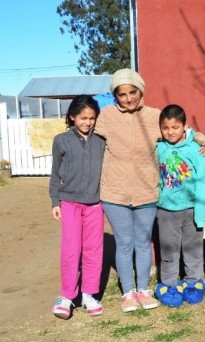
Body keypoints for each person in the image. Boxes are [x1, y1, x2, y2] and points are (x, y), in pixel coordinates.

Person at [94, 68, 161, 312]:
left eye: (133, 92)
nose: (129, 98)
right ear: (115, 96)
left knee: (143, 243)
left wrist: (198, 137)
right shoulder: (107, 116)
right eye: (122, 94)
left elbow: (179, 131)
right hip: (114, 193)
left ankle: (143, 289)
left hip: (147, 191)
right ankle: (128, 293)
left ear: (141, 90)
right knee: (124, 244)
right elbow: (90, 142)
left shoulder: (156, 116)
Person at [49, 95, 105, 319]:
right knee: (71, 250)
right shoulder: (61, 140)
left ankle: (89, 294)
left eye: (92, 118)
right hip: (69, 202)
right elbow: (55, 172)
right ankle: (67, 296)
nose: (88, 122)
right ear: (72, 116)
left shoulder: (101, 140)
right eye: (83, 117)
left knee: (93, 250)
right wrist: (55, 200)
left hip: (95, 203)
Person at [154, 104, 205, 307]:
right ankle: (169, 284)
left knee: (193, 249)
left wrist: (201, 213)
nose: (170, 132)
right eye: (165, 127)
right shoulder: (158, 147)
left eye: (175, 127)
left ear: (185, 126)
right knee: (169, 251)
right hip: (166, 211)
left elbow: (204, 181)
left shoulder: (197, 149)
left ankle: (193, 281)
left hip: (192, 210)